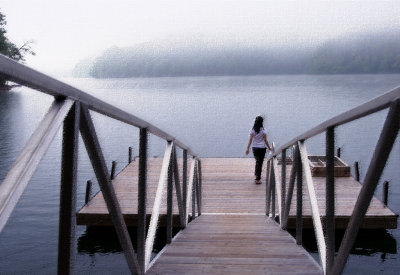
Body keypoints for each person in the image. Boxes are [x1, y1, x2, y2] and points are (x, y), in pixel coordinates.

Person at [245, 116, 273, 184]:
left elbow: (250, 140)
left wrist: (248, 148)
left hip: (255, 148)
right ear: (261, 122)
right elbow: (266, 141)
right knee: (260, 163)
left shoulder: (253, 130)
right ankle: (258, 179)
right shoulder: (263, 130)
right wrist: (270, 148)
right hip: (262, 148)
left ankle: (256, 175)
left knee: (258, 162)